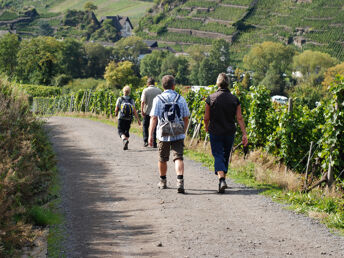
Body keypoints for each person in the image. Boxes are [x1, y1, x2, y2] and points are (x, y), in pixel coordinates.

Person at [204, 73, 248, 193]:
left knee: (217, 154)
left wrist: (206, 127)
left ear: (217, 83)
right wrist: (244, 133)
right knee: (225, 155)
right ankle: (222, 179)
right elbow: (239, 118)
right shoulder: (234, 99)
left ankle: (222, 179)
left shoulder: (211, 98)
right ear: (228, 83)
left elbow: (206, 117)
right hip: (229, 132)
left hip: (215, 131)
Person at [148, 75, 190, 193]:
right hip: (178, 132)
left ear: (163, 86)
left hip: (163, 133)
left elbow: (154, 118)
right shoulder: (180, 98)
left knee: (162, 158)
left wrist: (150, 135)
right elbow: (186, 117)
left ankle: (163, 181)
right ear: (173, 86)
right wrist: (183, 130)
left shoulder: (158, 99)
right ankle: (180, 181)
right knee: (178, 157)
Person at [115, 85, 141, 150]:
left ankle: (124, 140)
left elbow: (116, 108)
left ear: (123, 91)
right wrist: (138, 120)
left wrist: (115, 114)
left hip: (121, 117)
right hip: (129, 118)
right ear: (129, 92)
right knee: (127, 130)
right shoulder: (131, 100)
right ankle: (125, 142)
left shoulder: (120, 99)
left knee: (120, 130)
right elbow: (134, 110)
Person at [141, 77, 162, 147]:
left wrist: (142, 111)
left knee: (145, 126)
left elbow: (143, 102)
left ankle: (145, 141)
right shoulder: (159, 91)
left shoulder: (145, 90)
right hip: (156, 112)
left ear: (148, 83)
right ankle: (154, 142)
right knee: (155, 127)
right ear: (154, 83)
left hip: (147, 111)